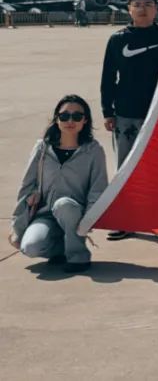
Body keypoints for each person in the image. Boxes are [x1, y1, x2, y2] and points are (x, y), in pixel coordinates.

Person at [100, 0, 158, 241]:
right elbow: (108, 77)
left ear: (156, 9)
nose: (142, 9)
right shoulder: (118, 40)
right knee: (125, 168)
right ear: (128, 8)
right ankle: (125, 220)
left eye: (148, 4)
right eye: (137, 5)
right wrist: (108, 111)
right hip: (126, 114)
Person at [9, 95, 108, 272]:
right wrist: (18, 228)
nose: (70, 121)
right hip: (45, 215)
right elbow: (26, 186)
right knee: (30, 247)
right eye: (64, 116)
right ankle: (61, 248)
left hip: (74, 213)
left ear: (85, 120)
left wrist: (88, 221)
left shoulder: (93, 150)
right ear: (56, 119)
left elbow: (98, 189)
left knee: (64, 205)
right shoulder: (42, 148)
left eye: (77, 116)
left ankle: (78, 256)